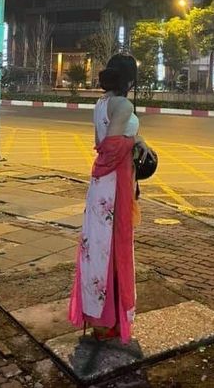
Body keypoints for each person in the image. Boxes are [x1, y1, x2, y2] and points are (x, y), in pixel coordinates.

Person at [68, 54, 147, 343]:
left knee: (98, 250)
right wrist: (134, 144)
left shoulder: (102, 103)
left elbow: (102, 141)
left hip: (100, 187)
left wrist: (140, 141)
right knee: (114, 249)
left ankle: (100, 319)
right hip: (115, 186)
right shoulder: (124, 104)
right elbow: (111, 148)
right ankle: (110, 321)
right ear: (130, 79)